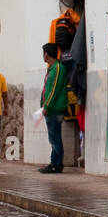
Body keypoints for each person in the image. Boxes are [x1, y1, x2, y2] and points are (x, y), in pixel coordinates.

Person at [38, 43, 68, 173]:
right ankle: (54, 163)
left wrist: (47, 106)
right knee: (53, 138)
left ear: (47, 54)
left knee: (55, 138)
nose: (43, 56)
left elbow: (54, 89)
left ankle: (56, 164)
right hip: (51, 109)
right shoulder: (52, 69)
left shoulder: (57, 68)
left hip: (54, 110)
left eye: (43, 53)